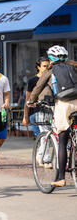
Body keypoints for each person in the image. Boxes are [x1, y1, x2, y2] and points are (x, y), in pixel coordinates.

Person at [29, 45, 77, 188]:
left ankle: (61, 178)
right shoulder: (74, 66)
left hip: (63, 104)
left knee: (62, 140)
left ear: (51, 58)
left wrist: (31, 101)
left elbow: (38, 86)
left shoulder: (50, 70)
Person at [22, 57, 50, 137]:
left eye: (48, 66)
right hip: (36, 112)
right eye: (44, 66)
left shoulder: (51, 78)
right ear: (38, 67)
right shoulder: (32, 80)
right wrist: (25, 116)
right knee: (42, 138)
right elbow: (28, 99)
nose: (47, 68)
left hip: (49, 111)